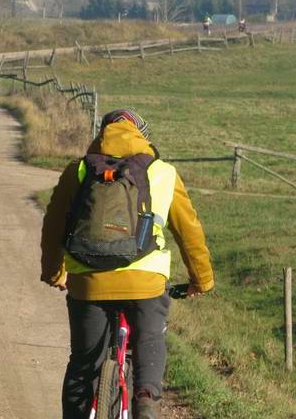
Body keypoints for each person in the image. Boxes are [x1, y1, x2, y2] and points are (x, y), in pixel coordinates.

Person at [41, 109, 214, 419]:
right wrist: (201, 281)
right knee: (149, 342)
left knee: (83, 366)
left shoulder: (78, 171)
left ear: (101, 134)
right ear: (142, 136)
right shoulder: (162, 172)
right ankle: (146, 400)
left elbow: (53, 226)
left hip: (87, 283)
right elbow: (190, 233)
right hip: (144, 283)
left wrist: (55, 272)